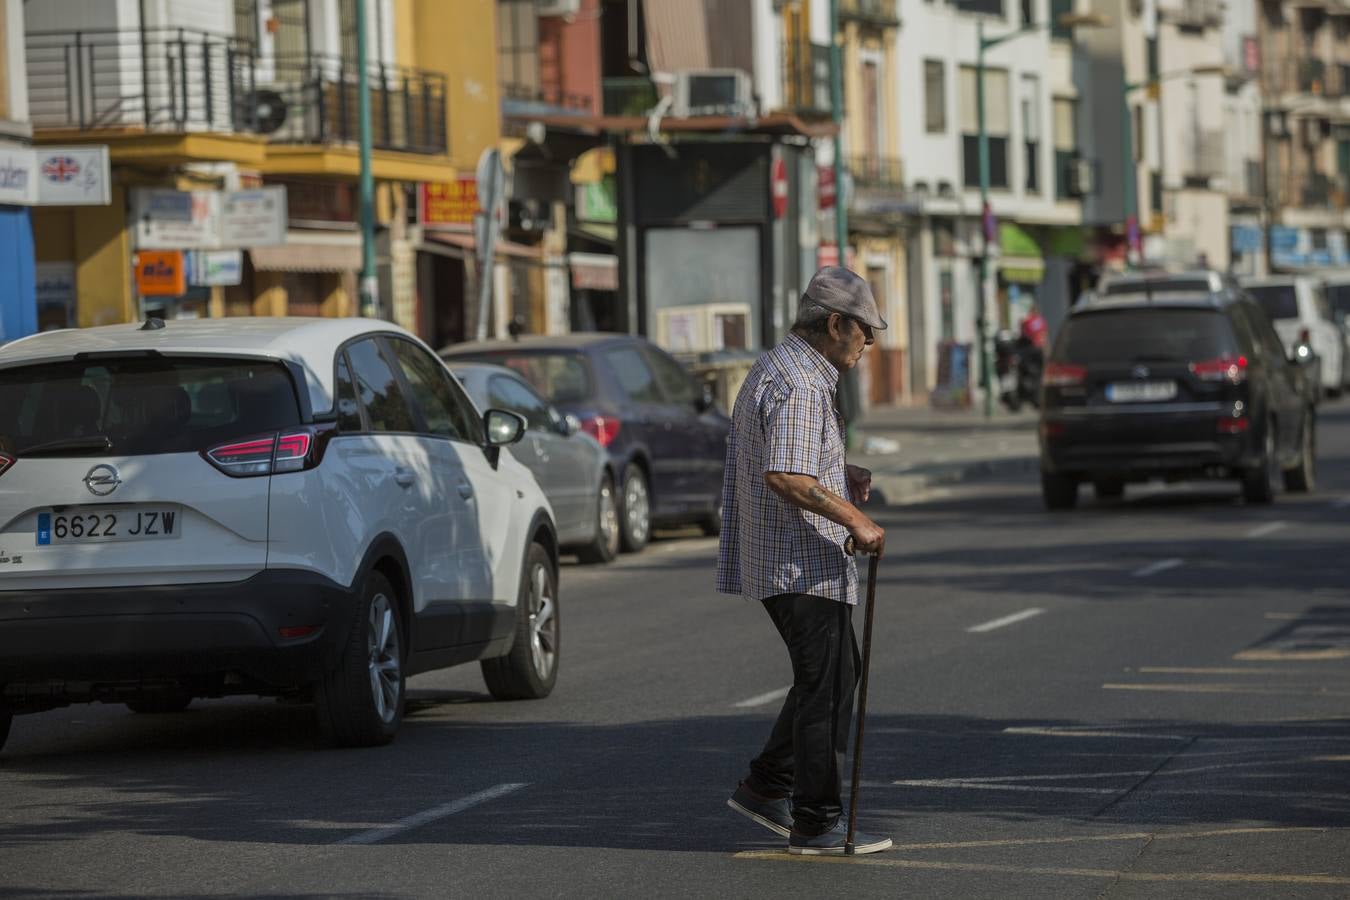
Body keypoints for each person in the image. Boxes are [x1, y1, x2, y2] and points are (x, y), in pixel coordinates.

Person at [718, 266, 892, 856]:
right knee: (827, 684)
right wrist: (855, 519)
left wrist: (842, 475)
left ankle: (766, 786)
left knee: (836, 675)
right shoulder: (802, 382)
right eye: (865, 332)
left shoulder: (785, 366)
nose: (870, 345)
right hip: (799, 558)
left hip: (788, 555)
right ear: (836, 323)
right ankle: (815, 821)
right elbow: (784, 475)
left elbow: (794, 460)